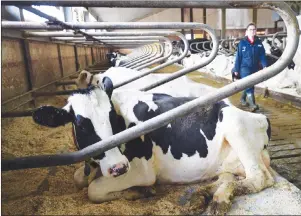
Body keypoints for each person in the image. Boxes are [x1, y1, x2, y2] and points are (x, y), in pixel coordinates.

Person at [232, 23, 268, 112]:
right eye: (250, 29)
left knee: (250, 84)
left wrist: (265, 66)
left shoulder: (259, 43)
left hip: (254, 67)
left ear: (255, 31)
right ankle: (252, 104)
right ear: (246, 32)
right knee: (249, 84)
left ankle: (242, 99)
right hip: (244, 67)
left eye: (254, 29)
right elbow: (238, 57)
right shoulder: (242, 43)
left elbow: (262, 55)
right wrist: (236, 69)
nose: (252, 31)